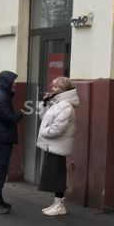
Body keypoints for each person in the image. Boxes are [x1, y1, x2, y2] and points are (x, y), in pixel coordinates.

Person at [36, 76, 79, 216]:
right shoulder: (57, 103)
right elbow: (44, 118)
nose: (52, 89)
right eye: (53, 86)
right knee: (54, 174)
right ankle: (57, 203)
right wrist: (44, 103)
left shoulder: (65, 105)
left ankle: (60, 205)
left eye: (55, 87)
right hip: (54, 145)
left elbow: (57, 129)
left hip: (58, 146)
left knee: (57, 175)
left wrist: (43, 132)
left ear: (62, 89)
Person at [0, 70, 24, 214]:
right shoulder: (1, 97)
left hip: (1, 137)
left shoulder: (1, 95)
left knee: (1, 168)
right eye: (13, 82)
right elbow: (8, 119)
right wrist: (20, 113)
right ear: (6, 82)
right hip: (1, 138)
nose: (15, 85)